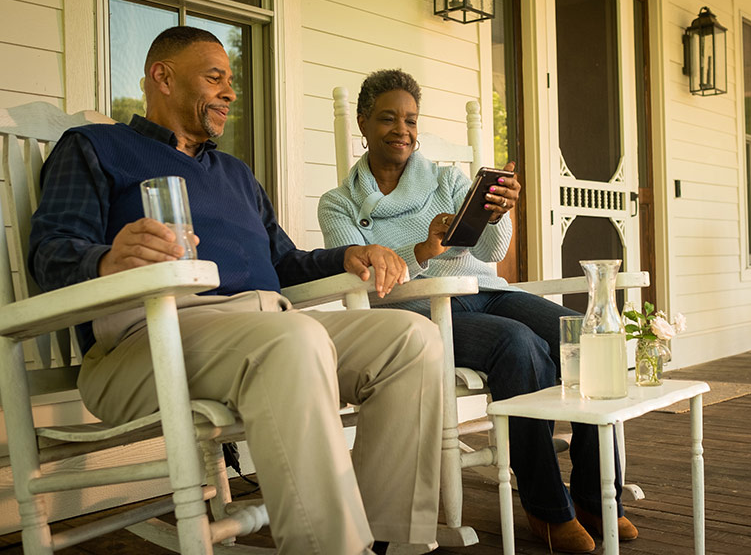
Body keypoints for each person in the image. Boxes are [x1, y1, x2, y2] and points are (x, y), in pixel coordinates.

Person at [28, 28, 443, 555]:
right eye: (214, 77)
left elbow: (284, 263)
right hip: (148, 341)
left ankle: (388, 540)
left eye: (231, 81)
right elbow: (49, 252)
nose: (229, 92)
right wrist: (108, 259)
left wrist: (346, 255)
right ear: (163, 76)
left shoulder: (235, 173)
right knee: (294, 340)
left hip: (267, 324)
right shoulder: (95, 148)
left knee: (411, 338)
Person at [318, 69, 639, 553]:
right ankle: (547, 508)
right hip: (420, 310)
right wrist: (421, 251)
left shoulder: (447, 179)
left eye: (410, 119)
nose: (402, 130)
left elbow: (489, 252)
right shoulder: (338, 204)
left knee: (580, 336)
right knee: (518, 345)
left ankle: (595, 496)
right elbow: (365, 282)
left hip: (484, 289)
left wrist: (498, 214)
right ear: (363, 122)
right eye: (388, 118)